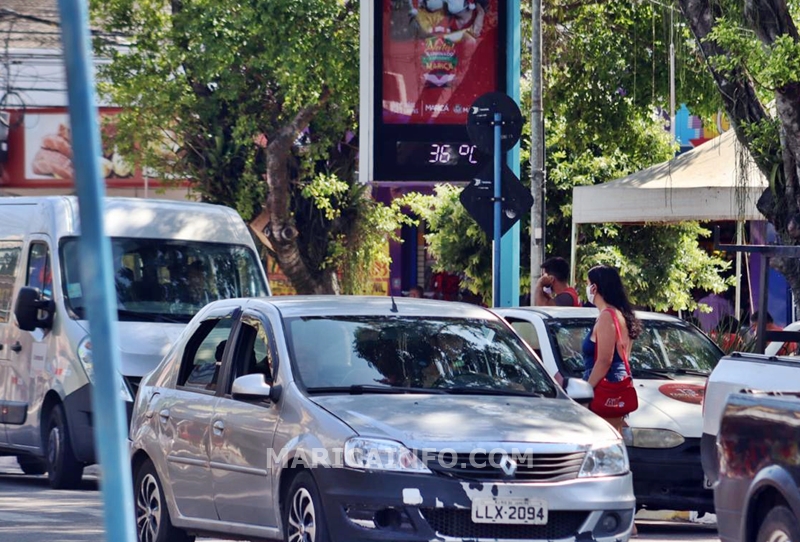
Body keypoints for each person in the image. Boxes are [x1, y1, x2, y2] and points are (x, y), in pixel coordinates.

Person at [582, 265, 642, 434]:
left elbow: (604, 360)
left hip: (604, 385)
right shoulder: (619, 314)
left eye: (587, 284)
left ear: (594, 287)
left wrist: (586, 390)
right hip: (615, 382)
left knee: (602, 440)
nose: (586, 289)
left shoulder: (608, 316)